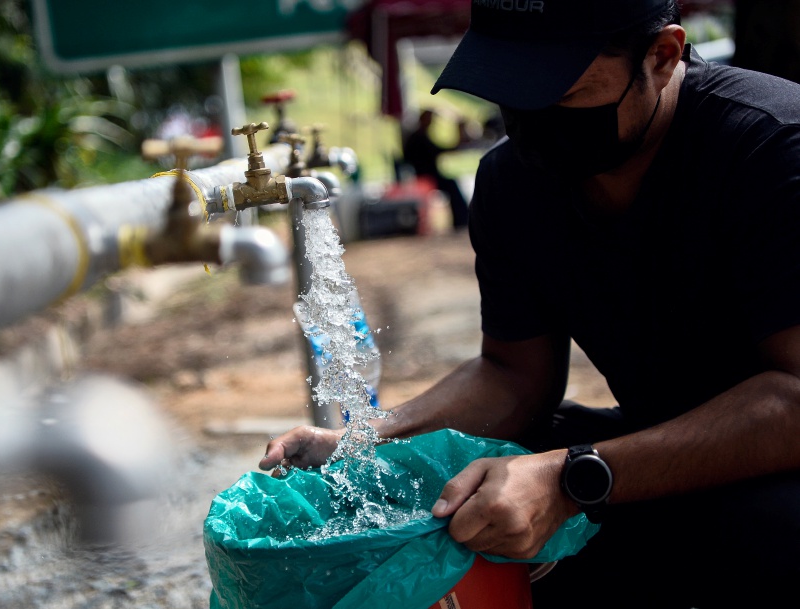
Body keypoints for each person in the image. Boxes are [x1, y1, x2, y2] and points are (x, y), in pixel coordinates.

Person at [261, 0, 800, 606]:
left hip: (781, 467)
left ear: (663, 55)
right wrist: (365, 446)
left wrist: (573, 478)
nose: (532, 118)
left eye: (560, 93)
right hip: (662, 449)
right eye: (508, 91)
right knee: (479, 475)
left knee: (767, 531)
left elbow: (794, 396)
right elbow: (515, 376)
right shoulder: (516, 184)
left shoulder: (772, 147)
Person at [401, 109, 471, 230]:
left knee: (452, 185)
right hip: (426, 176)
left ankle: (462, 220)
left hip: (425, 174)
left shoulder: (419, 135)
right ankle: (462, 220)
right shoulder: (419, 137)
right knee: (452, 186)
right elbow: (438, 150)